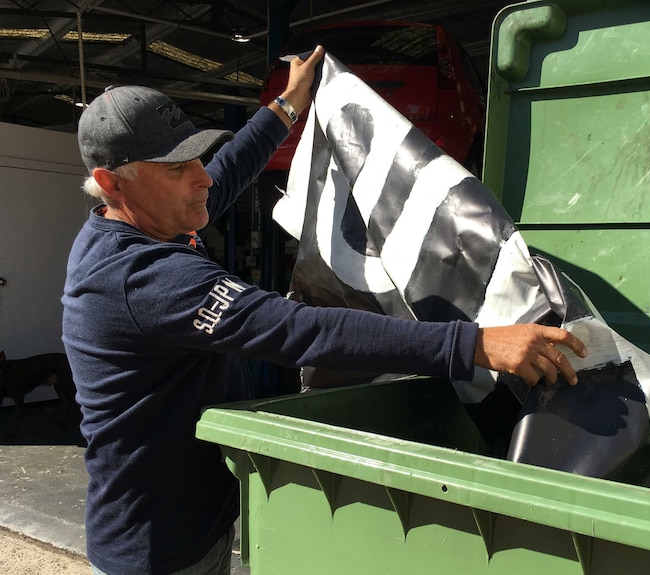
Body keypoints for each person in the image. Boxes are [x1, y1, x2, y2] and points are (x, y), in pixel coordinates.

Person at [62, 45, 587, 575]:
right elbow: (301, 329)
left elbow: (226, 170)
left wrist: (288, 105)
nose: (201, 178)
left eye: (196, 157)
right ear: (112, 181)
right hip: (159, 547)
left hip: (197, 519)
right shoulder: (141, 278)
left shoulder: (148, 215)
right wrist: (473, 344)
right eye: (178, 168)